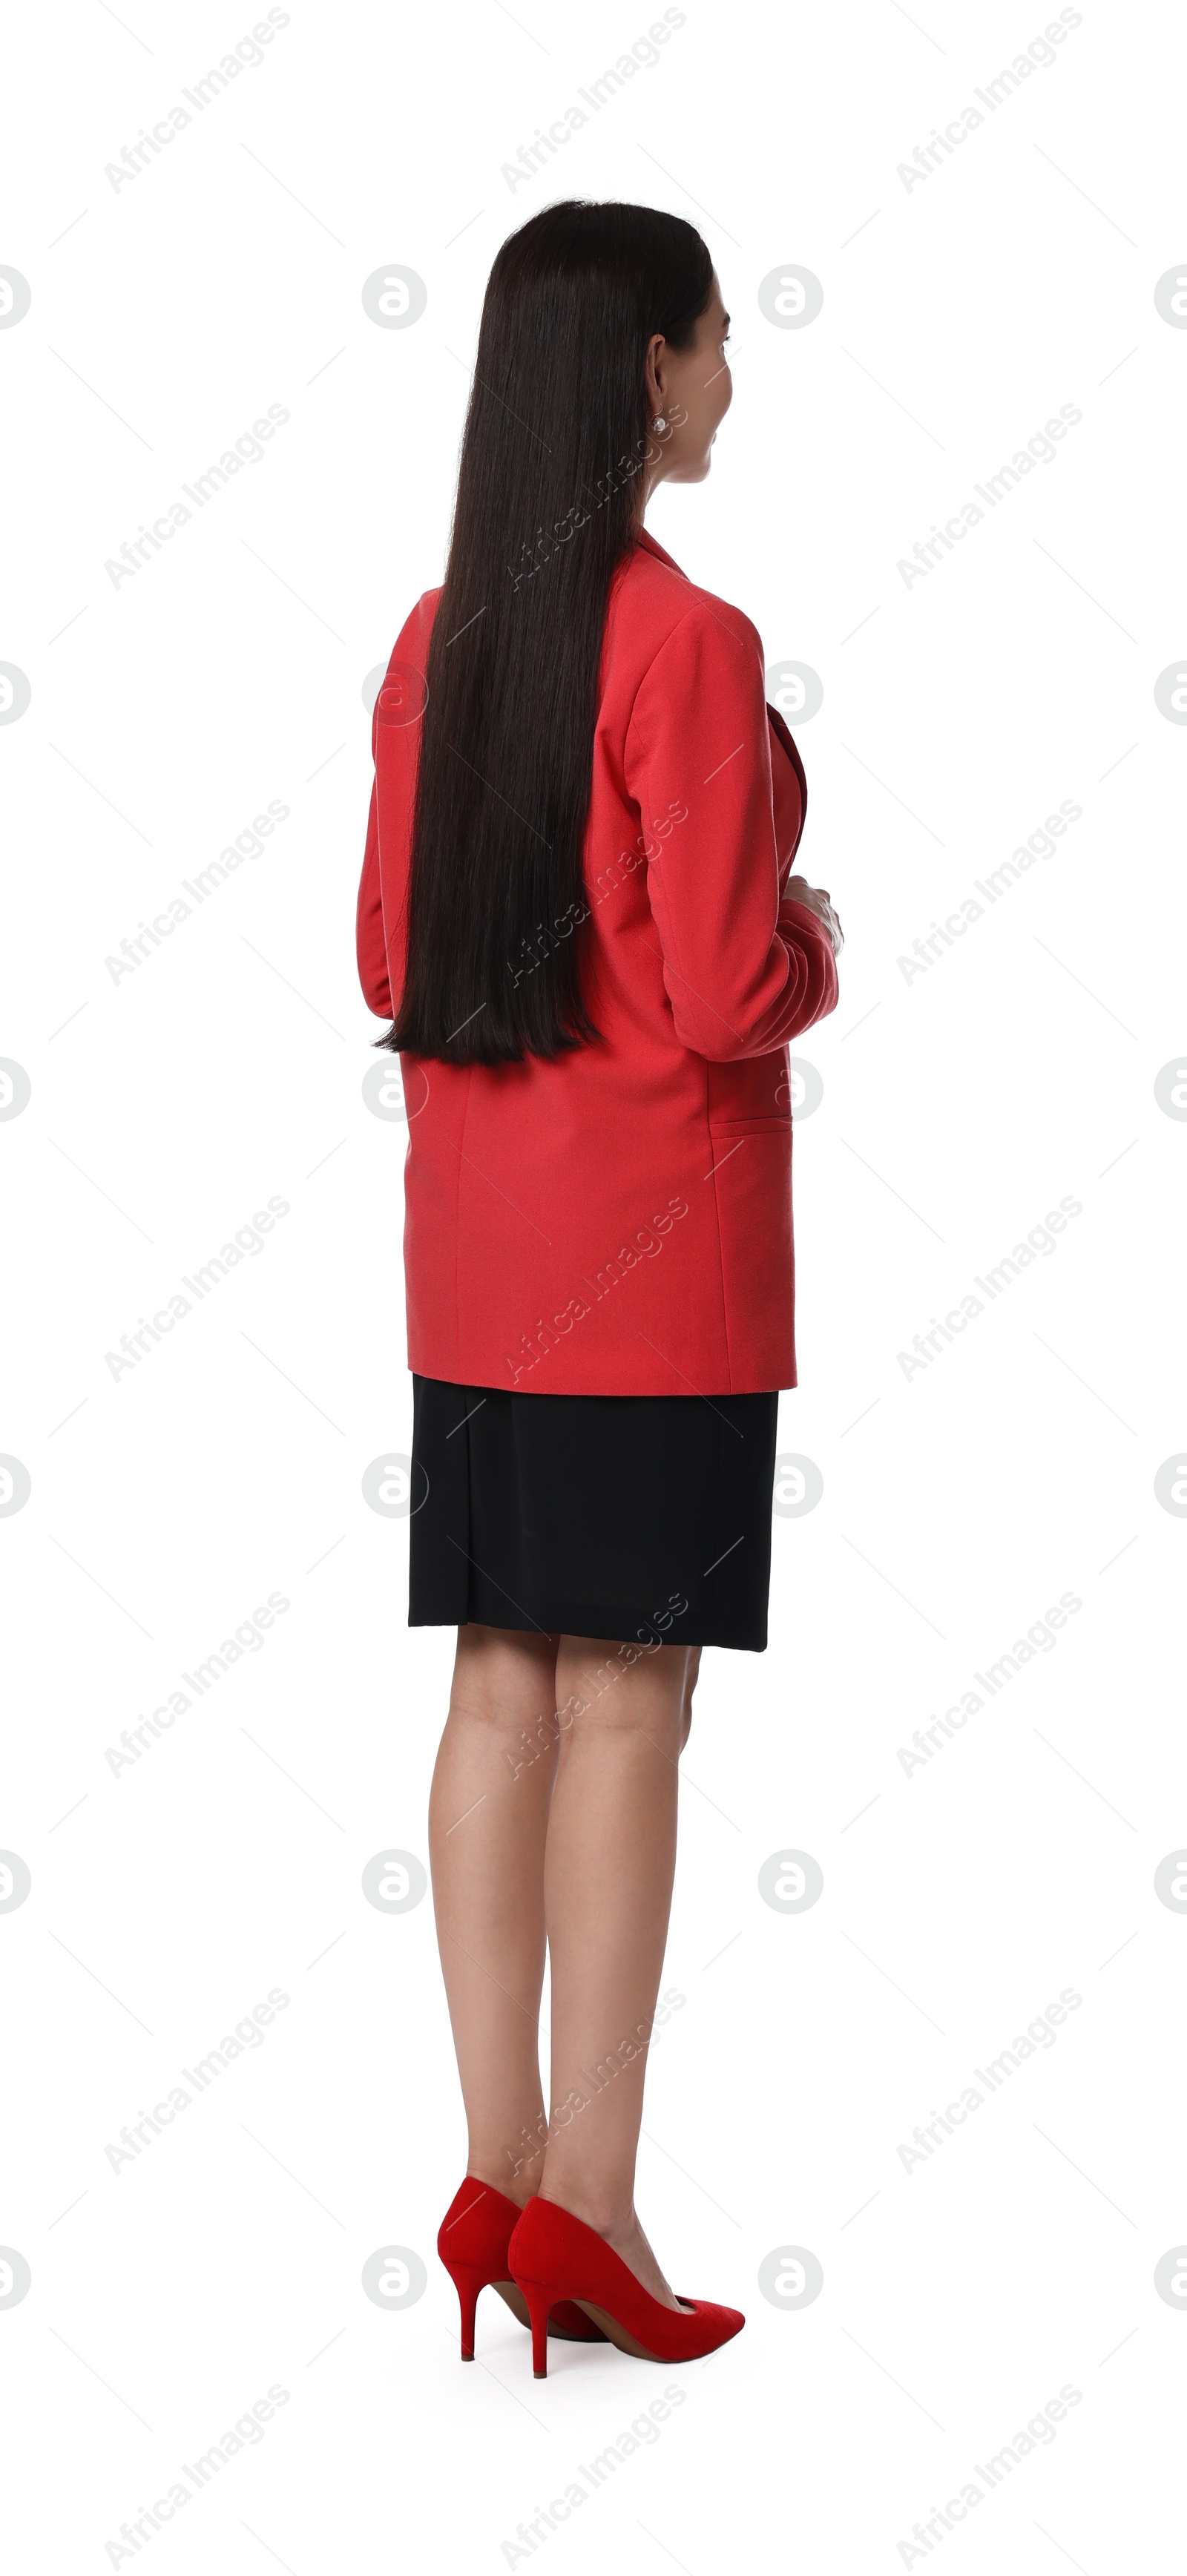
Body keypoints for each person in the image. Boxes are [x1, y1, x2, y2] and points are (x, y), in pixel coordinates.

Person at [355, 200, 842, 2377]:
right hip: (655, 1269)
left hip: (478, 1267)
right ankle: (598, 2210)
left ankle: (496, 2166)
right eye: (716, 339)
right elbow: (736, 985)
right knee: (628, 1709)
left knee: (496, 1694)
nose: (732, 372)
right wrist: (819, 929)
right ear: (646, 369)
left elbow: (391, 962)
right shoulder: (697, 644)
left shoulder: (436, 636)